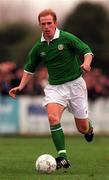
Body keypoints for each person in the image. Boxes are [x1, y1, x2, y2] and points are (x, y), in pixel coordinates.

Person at [9, 9, 94, 169]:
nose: (47, 26)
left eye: (49, 23)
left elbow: (87, 51)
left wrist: (87, 63)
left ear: (55, 23)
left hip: (75, 85)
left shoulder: (67, 38)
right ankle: (63, 157)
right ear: (40, 25)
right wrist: (20, 86)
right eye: (43, 24)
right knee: (53, 118)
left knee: (82, 128)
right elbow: (29, 69)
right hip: (55, 88)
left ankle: (89, 127)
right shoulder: (38, 48)